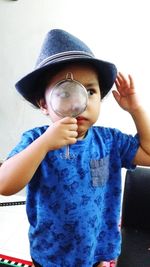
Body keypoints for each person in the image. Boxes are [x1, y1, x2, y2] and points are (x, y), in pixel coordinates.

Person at [0, 29, 150, 267]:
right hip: (51, 255)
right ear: (44, 104)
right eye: (65, 93)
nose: (78, 104)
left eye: (89, 91)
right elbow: (5, 185)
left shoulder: (109, 141)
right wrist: (44, 144)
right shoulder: (35, 140)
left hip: (97, 249)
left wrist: (136, 110)